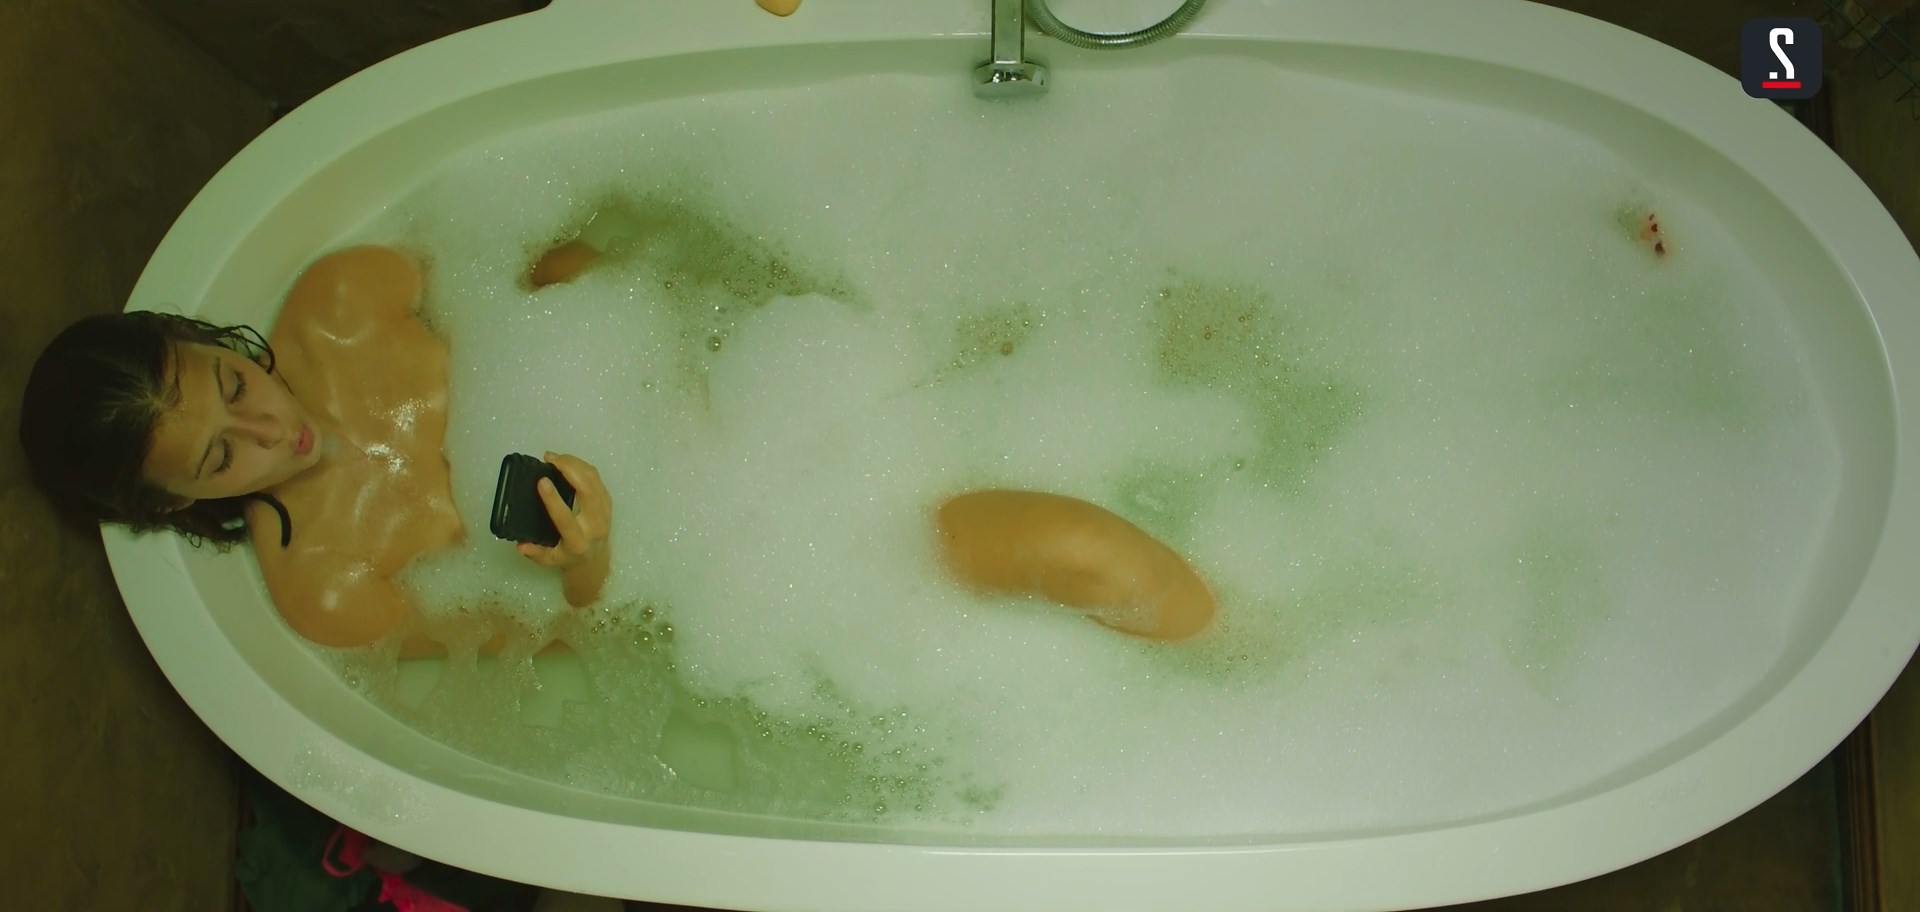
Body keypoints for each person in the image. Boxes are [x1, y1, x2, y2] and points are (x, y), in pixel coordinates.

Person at [19, 245, 614, 655]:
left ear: (196, 339)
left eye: (234, 385)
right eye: (221, 457)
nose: (269, 429)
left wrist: (612, 282)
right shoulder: (326, 588)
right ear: (175, 501)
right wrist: (585, 562)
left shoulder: (342, 300)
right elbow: (545, 632)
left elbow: (525, 268)